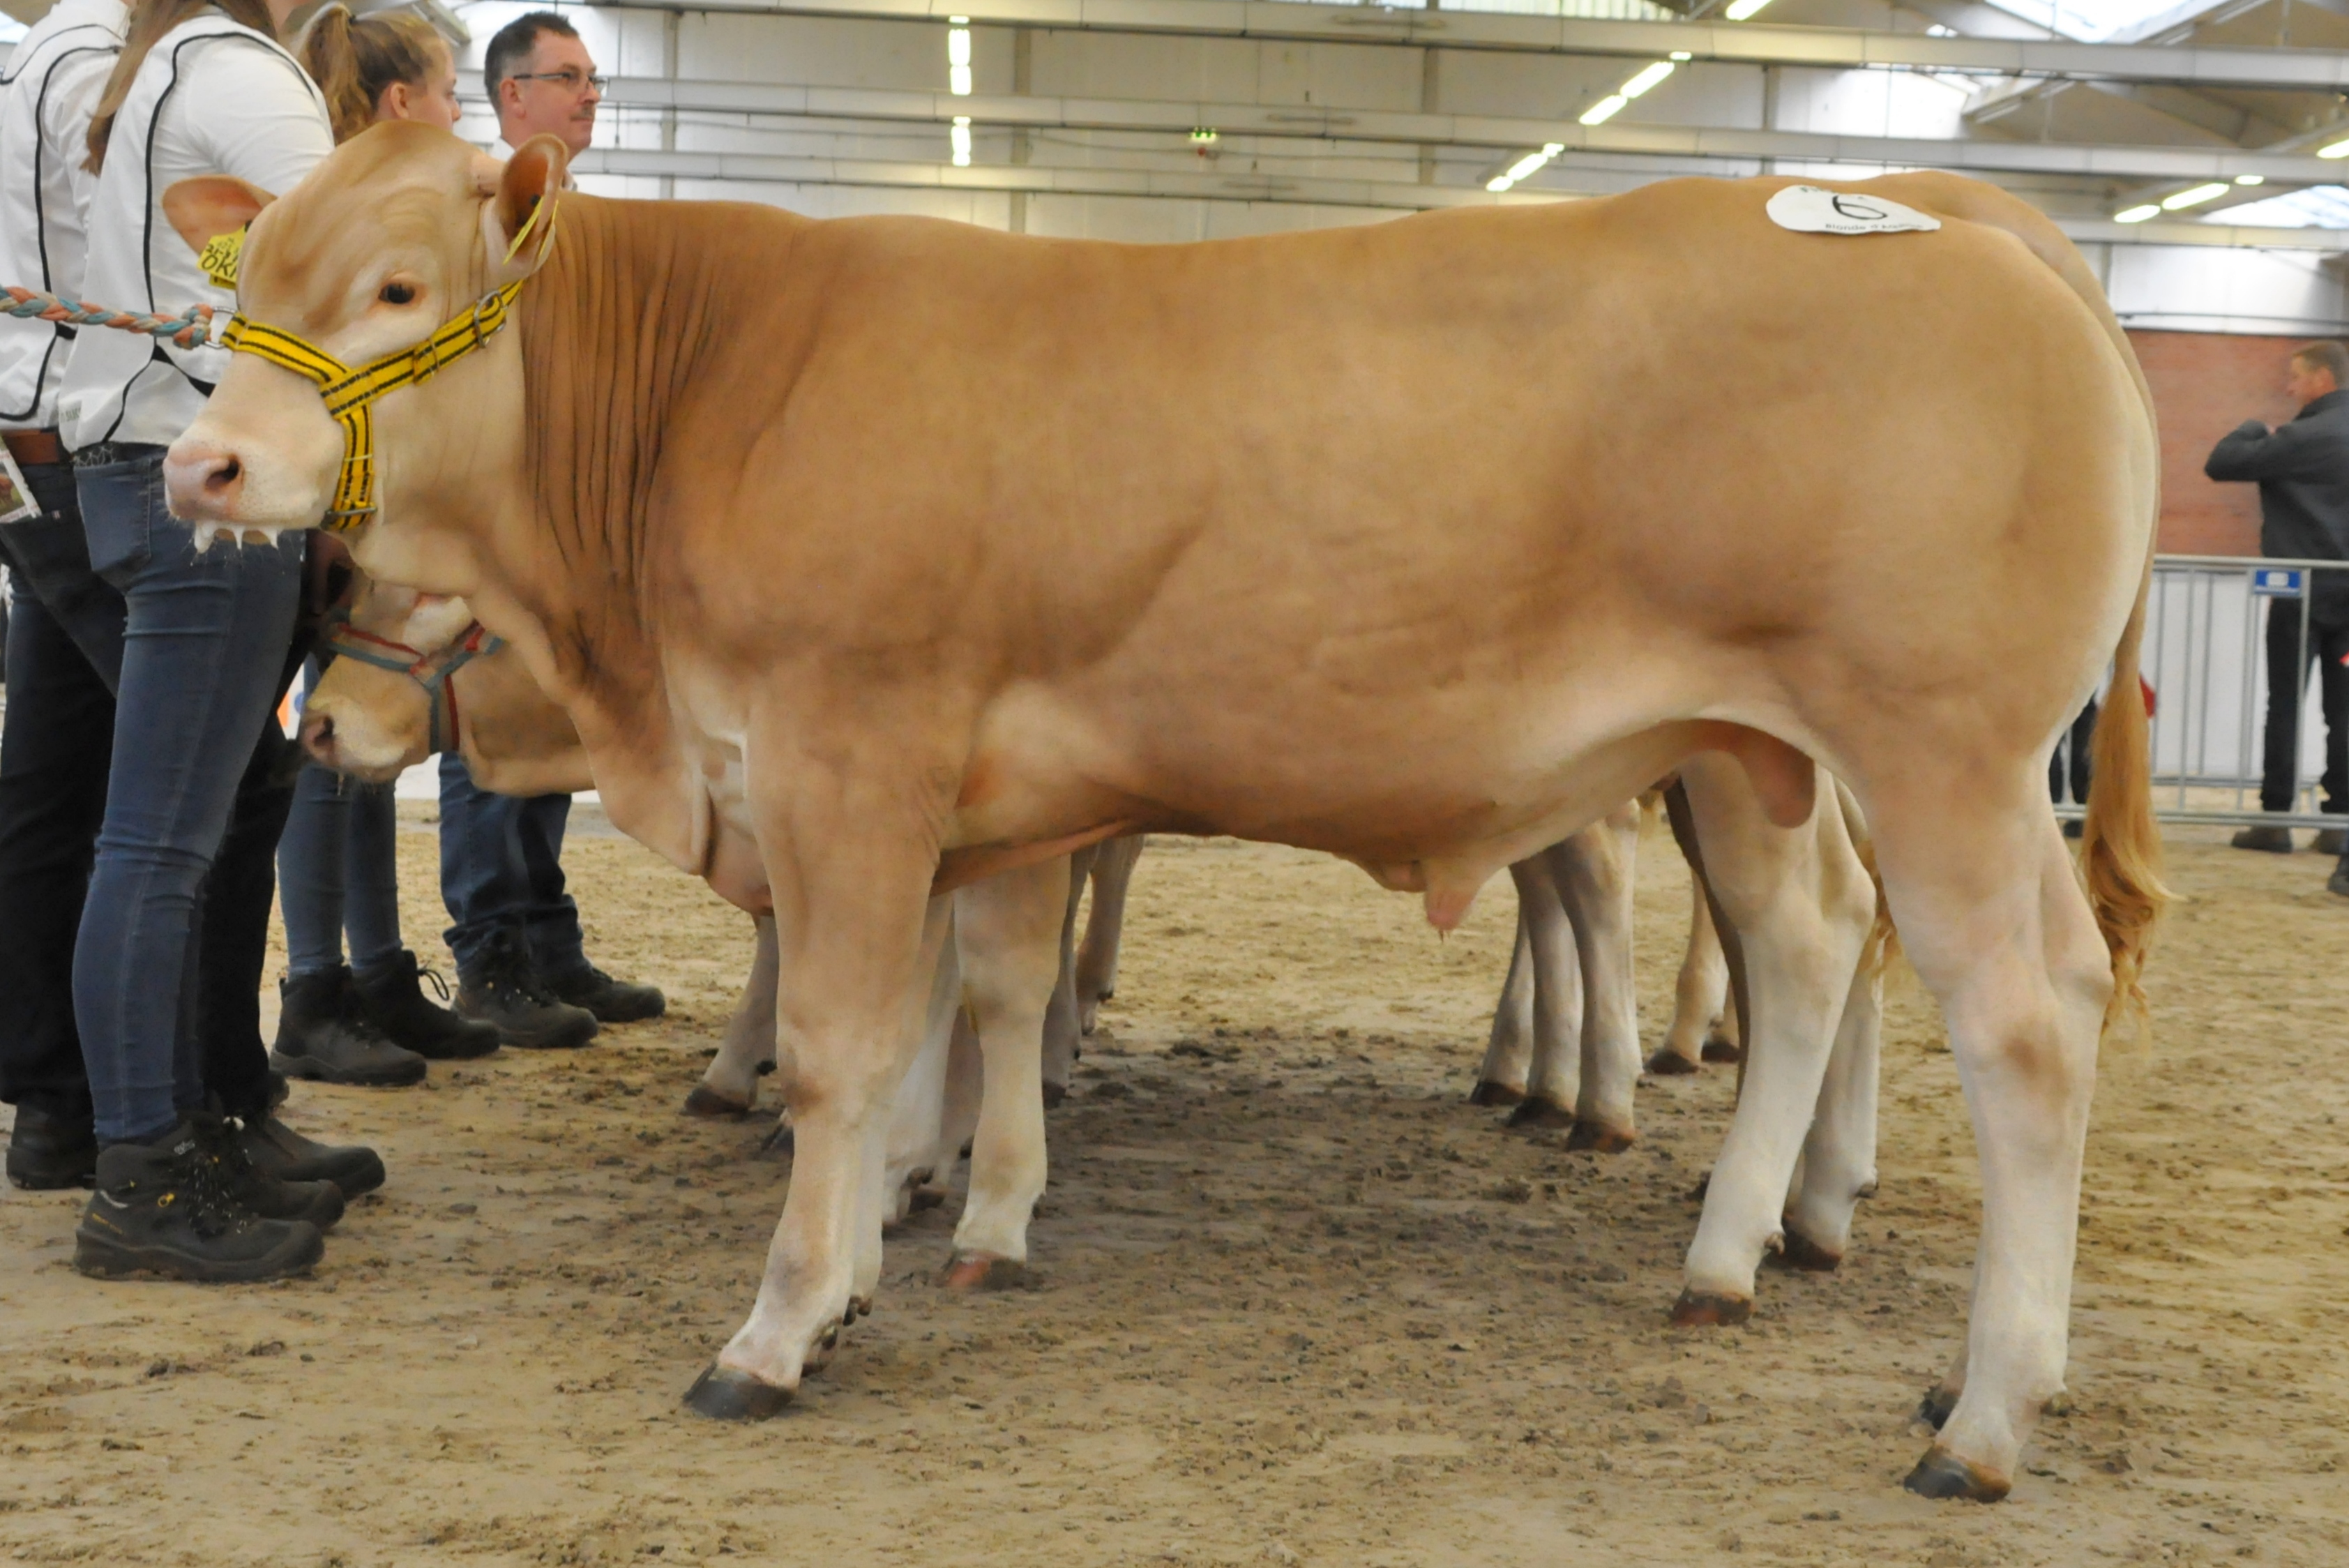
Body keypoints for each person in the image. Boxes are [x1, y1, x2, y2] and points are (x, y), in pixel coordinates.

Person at [1, 0, 378, 1210]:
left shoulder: (108, 57)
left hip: (73, 444)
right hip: (134, 450)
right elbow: (339, 255)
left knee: (76, 791)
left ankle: (91, 1107)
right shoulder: (190, 65)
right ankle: (170, 1128)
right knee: (183, 816)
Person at [268, 6, 495, 1085]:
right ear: (403, 105)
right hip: (326, 491)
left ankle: (379, 971)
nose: (460, 116)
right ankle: (316, 986)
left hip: (362, 486)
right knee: (328, 737)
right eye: (453, 94)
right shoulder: (337, 201)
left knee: (358, 748)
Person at [435, 8, 662, 1050]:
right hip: (495, 509)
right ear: (510, 94)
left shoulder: (578, 213)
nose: (587, 96)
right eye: (566, 77)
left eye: (593, 80)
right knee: (487, 723)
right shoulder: (482, 203)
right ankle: (491, 955)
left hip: (564, 517)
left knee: (551, 722)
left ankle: (545, 938)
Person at [2205, 340, 2349, 857]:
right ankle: (2340, 824)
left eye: (2295, 377)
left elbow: (2221, 462)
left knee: (2285, 702)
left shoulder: (2302, 437)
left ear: (2320, 380)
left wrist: (2252, 428)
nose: (2289, 388)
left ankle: (2276, 818)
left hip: (2299, 597)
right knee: (2346, 708)